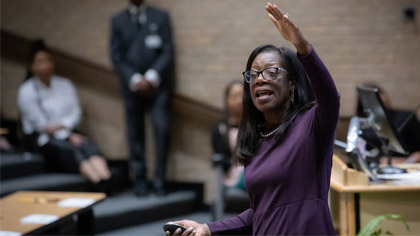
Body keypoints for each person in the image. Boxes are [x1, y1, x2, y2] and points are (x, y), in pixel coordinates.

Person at [168, 2, 340, 235]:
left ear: (291, 84)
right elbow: (260, 212)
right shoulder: (256, 141)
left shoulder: (311, 124)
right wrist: (208, 228)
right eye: (254, 74)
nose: (260, 79)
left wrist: (303, 47)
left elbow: (330, 97)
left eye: (271, 72)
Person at [17, 46, 112, 191]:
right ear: (32, 66)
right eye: (40, 62)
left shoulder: (64, 84)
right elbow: (42, 126)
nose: (45, 65)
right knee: (72, 150)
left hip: (68, 132)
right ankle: (98, 183)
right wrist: (67, 132)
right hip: (42, 139)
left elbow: (76, 113)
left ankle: (106, 178)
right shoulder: (26, 90)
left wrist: (66, 129)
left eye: (48, 60)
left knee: (88, 144)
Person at [110, 0, 174, 196]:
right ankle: (139, 180)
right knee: (135, 134)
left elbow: (168, 51)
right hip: (131, 88)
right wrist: (135, 79)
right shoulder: (117, 20)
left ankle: (160, 180)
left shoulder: (160, 16)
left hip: (158, 87)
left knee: (162, 130)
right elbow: (116, 55)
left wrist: (151, 77)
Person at [356, 83, 420, 164]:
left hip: (410, 167)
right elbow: (362, 153)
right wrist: (381, 160)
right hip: (377, 167)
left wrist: (409, 161)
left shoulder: (406, 117)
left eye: (379, 94)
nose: (379, 98)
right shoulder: (362, 126)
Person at [211, 81, 245, 190]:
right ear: (227, 100)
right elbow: (219, 158)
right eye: (235, 96)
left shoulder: (255, 127)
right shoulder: (220, 129)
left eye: (242, 96)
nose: (239, 100)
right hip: (232, 178)